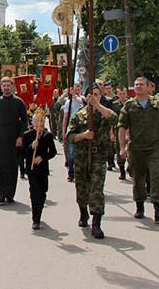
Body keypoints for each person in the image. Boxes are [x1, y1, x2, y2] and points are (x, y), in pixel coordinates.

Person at [118, 77, 159, 223]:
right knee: (138, 179)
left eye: (141, 84)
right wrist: (122, 147)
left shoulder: (157, 104)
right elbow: (122, 126)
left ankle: (158, 211)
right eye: (136, 84)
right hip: (136, 149)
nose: (138, 86)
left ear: (148, 87)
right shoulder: (129, 105)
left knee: (156, 176)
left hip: (154, 148)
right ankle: (139, 207)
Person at [68, 88, 117, 239]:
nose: (93, 97)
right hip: (82, 155)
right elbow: (69, 136)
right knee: (81, 186)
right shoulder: (79, 115)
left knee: (96, 187)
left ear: (100, 96)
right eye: (91, 95)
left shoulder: (105, 113)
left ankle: (96, 223)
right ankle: (83, 212)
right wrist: (83, 135)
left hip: (99, 155)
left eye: (97, 95)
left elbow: (114, 119)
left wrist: (98, 105)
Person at [0, 77, 28, 205]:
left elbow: (25, 121)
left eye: (8, 85)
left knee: (12, 166)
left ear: (12, 87)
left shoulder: (19, 102)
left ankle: (9, 194)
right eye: (4, 85)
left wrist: (21, 137)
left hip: (14, 138)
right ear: (1, 87)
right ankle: (0, 194)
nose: (6, 87)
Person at [22, 112, 57, 230]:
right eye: (37, 121)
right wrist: (31, 146)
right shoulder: (27, 135)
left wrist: (42, 157)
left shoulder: (47, 136)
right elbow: (22, 153)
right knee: (34, 193)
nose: (39, 123)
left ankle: (39, 211)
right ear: (33, 122)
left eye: (41, 121)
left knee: (42, 193)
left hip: (43, 169)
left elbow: (53, 152)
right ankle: (35, 219)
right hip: (32, 170)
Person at [61, 83, 84, 182]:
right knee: (71, 153)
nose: (77, 90)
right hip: (72, 129)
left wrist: (75, 96)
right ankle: (71, 173)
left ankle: (80, 172)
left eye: (79, 88)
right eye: (75, 88)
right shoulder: (68, 102)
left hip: (82, 129)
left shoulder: (83, 99)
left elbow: (82, 103)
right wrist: (64, 131)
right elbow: (65, 118)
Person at [112, 86, 130, 180]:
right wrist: (111, 133)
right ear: (117, 94)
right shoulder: (114, 105)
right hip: (118, 130)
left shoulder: (131, 103)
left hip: (131, 129)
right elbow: (111, 119)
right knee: (120, 149)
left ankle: (131, 166)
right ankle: (122, 171)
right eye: (120, 94)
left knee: (132, 149)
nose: (122, 96)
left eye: (123, 93)